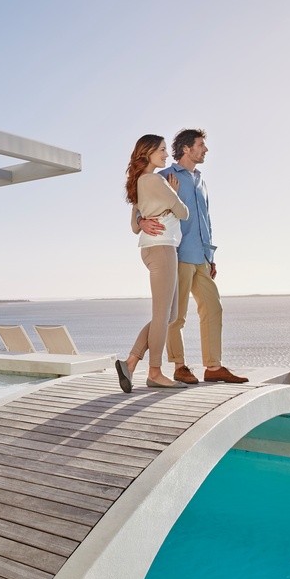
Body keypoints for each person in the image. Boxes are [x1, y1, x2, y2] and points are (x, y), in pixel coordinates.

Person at [136, 129, 248, 384]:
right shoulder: (164, 175)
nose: (205, 150)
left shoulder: (200, 181)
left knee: (213, 307)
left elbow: (206, 219)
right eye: (201, 145)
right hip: (176, 253)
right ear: (186, 148)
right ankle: (179, 365)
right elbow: (138, 205)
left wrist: (210, 255)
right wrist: (141, 221)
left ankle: (213, 366)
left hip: (202, 255)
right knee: (177, 315)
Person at [115, 134, 189, 393]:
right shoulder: (155, 180)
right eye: (162, 150)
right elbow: (184, 212)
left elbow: (135, 226)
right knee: (162, 315)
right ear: (147, 152)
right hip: (162, 248)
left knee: (168, 315)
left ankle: (131, 362)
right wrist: (173, 196)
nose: (166, 154)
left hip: (152, 248)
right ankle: (155, 372)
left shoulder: (139, 183)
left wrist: (146, 218)